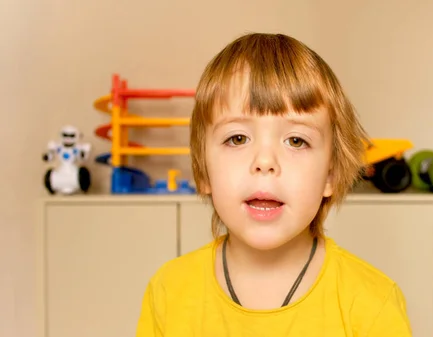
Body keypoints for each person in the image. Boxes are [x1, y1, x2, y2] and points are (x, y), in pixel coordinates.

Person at [135, 32, 413, 337]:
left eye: (296, 140)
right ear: (203, 172)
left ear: (330, 176)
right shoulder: (167, 291)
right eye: (237, 138)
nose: (265, 161)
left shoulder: (373, 304)